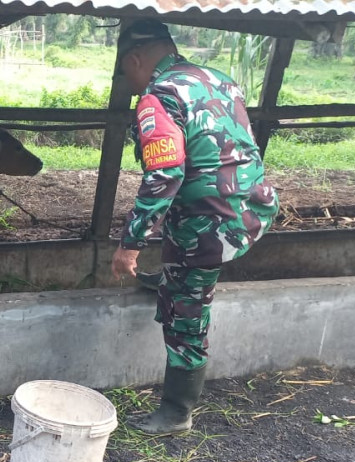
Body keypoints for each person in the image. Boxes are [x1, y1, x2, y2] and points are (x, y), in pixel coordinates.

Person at [110, 20, 279, 434]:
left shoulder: (158, 95)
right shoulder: (218, 79)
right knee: (183, 273)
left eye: (125, 74)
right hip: (249, 206)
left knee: (186, 313)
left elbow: (164, 176)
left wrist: (130, 245)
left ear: (135, 60)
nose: (130, 85)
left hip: (210, 221)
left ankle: (175, 413)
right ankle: (175, 278)